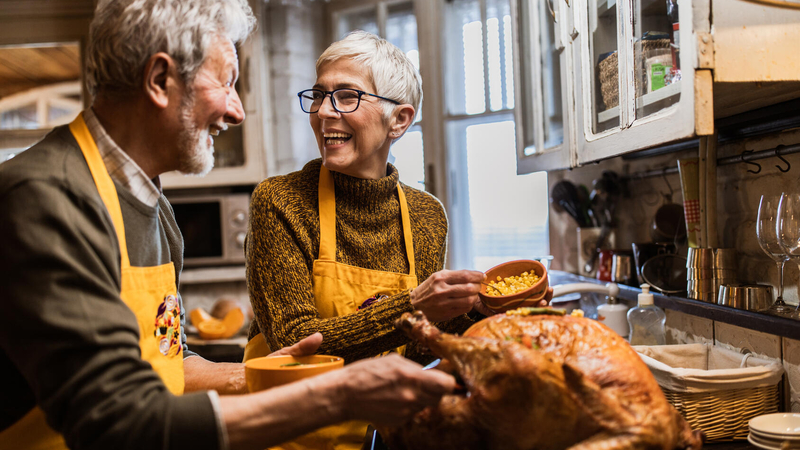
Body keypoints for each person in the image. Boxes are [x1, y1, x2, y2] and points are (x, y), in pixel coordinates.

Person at [0, 2, 457, 450]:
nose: (237, 111)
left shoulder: (150, 204)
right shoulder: (46, 199)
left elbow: (168, 364)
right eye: (227, 82)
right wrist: (335, 393)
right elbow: (117, 419)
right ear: (160, 81)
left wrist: (276, 374)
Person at [244, 31, 552, 449]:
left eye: (347, 96)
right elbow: (296, 345)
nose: (323, 113)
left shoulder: (426, 215)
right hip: (289, 432)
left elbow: (414, 349)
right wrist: (413, 306)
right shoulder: (280, 201)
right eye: (319, 95)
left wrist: (485, 312)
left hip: (383, 433)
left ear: (400, 120)